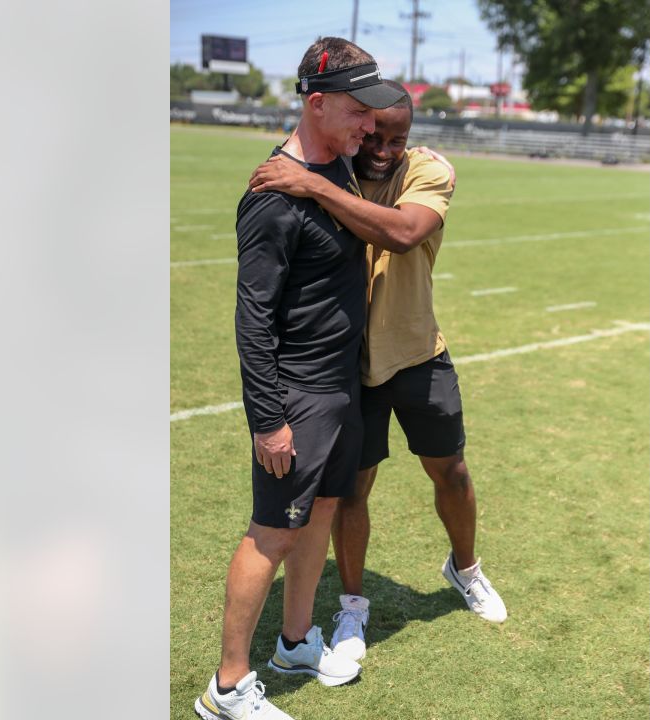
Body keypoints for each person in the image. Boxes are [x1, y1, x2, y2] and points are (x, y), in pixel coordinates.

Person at [247, 80, 508, 666]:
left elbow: (405, 231)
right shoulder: (332, 166)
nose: (384, 147)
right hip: (348, 367)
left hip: (418, 353)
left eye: (398, 137)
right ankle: (353, 605)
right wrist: (309, 175)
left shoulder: (427, 171)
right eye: (375, 133)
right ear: (359, 126)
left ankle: (465, 569)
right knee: (350, 493)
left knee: (453, 473)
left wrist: (312, 184)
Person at [194, 38, 406, 720]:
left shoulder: (337, 170)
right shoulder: (270, 196)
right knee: (272, 532)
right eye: (357, 110)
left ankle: (293, 642)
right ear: (315, 103)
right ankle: (228, 687)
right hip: (299, 396)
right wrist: (269, 419)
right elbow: (251, 318)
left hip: (341, 386)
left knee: (318, 517)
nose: (369, 125)